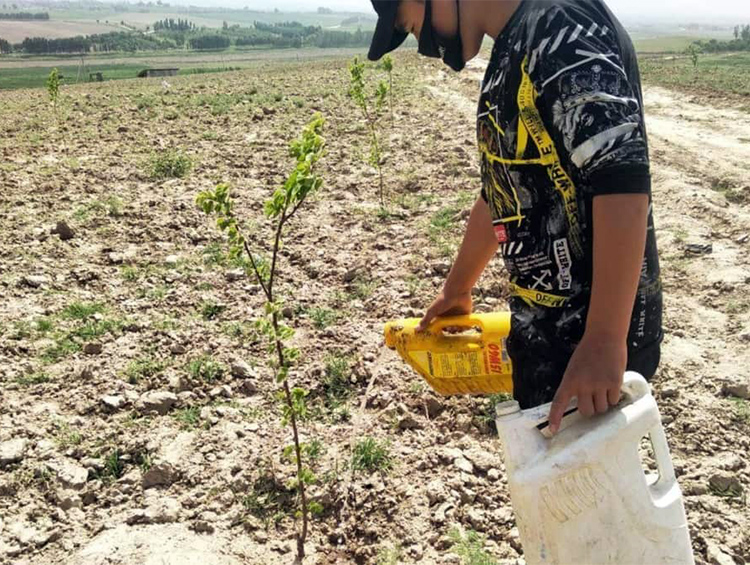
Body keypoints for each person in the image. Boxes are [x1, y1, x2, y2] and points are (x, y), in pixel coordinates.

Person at [367, 0, 662, 433]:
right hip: (548, 341)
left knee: (593, 493)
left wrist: (604, 338)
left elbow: (621, 181)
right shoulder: (510, 54)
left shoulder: (561, 25)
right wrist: (457, 287)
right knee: (559, 493)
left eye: (415, 27)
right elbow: (502, 195)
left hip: (590, 349)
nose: (426, 45)